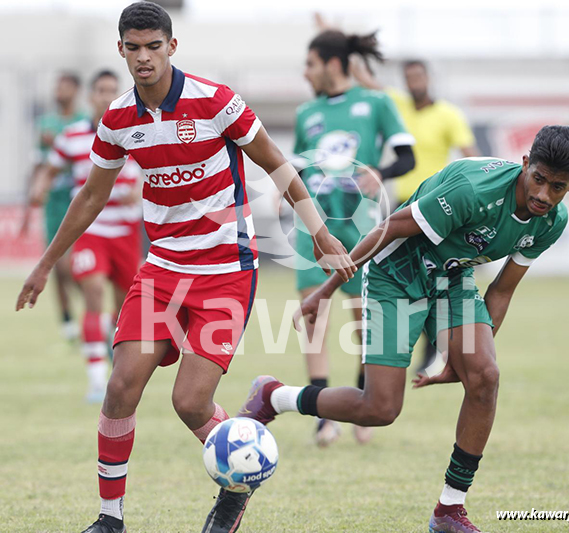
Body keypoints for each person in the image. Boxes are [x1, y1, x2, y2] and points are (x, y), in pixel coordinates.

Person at [15, 3, 355, 533]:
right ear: (121, 50)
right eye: (134, 47)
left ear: (172, 47)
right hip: (162, 269)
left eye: (154, 46)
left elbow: (276, 163)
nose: (144, 56)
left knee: (191, 404)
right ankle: (110, 518)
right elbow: (90, 197)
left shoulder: (216, 101)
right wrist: (44, 263)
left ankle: (237, 486)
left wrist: (319, 231)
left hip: (225, 270)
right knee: (121, 385)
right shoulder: (119, 119)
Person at [237, 125, 569, 532]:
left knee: (485, 377)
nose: (544, 195)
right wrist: (325, 290)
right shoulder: (474, 190)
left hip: (452, 277)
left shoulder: (551, 221)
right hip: (396, 274)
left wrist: (461, 358)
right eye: (539, 179)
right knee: (380, 409)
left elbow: (501, 291)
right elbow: (388, 228)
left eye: (559, 187)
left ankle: (449, 510)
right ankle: (275, 396)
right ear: (526, 164)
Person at [293, 29, 415, 446]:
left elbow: (406, 155)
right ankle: (323, 416)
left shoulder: (377, 102)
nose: (305, 73)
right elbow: (296, 167)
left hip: (363, 226)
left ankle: (364, 402)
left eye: (310, 64)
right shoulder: (306, 112)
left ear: (331, 63)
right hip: (314, 229)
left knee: (365, 320)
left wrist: (381, 173)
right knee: (314, 317)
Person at [353, 57, 480, 373]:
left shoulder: (449, 115)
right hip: (404, 204)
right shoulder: (397, 104)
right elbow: (365, 80)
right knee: (408, 274)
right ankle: (417, 342)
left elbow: (471, 154)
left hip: (441, 208)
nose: (414, 82)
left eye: (418, 76)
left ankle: (432, 348)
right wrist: (337, 39)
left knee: (437, 275)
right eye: (408, 77)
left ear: (428, 77)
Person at [32, 70, 143, 403]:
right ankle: (97, 379)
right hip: (91, 231)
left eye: (112, 90)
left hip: (126, 232)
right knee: (93, 292)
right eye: (100, 90)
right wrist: (40, 187)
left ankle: (108, 334)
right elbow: (50, 168)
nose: (106, 96)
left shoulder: (135, 132)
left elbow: (152, 172)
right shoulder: (73, 136)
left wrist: (138, 190)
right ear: (91, 96)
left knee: (125, 307)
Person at [24, 72, 87, 341]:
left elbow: (87, 163)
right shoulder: (46, 123)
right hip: (53, 202)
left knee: (70, 264)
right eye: (57, 86)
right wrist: (33, 195)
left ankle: (91, 312)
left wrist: (61, 151)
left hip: (78, 198)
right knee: (55, 263)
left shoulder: (84, 122)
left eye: (64, 86)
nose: (58, 90)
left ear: (75, 90)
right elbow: (39, 164)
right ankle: (67, 320)